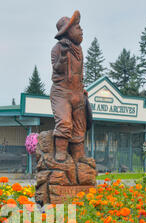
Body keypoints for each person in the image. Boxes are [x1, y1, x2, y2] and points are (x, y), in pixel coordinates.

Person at [50, 11, 90, 163]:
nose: (81, 30)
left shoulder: (79, 49)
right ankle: (60, 152)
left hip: (76, 93)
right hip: (62, 93)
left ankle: (79, 156)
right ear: (67, 32)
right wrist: (64, 55)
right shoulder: (58, 49)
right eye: (77, 27)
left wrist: (81, 88)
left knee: (80, 125)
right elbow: (57, 69)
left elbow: (78, 73)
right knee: (65, 122)